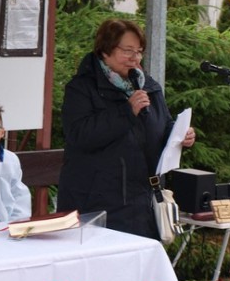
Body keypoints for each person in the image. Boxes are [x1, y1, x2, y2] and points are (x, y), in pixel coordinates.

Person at [56, 18, 196, 239]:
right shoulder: (82, 87)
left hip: (141, 201)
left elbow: (161, 125)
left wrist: (179, 136)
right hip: (97, 203)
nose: (135, 58)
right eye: (127, 50)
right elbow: (80, 135)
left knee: (139, 270)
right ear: (105, 50)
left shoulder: (148, 85)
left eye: (139, 52)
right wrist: (126, 111)